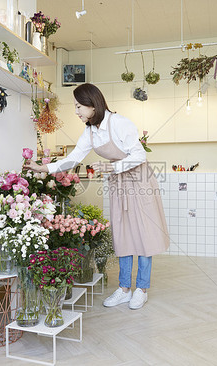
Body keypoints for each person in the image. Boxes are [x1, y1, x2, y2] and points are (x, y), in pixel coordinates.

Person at [24, 83, 169, 310]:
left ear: (93, 104)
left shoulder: (119, 123)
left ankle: (141, 289)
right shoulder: (90, 131)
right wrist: (43, 169)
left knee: (142, 234)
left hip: (138, 181)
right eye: (76, 106)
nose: (76, 111)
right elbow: (74, 157)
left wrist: (113, 167)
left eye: (79, 106)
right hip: (118, 182)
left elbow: (139, 154)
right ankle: (123, 289)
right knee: (122, 233)